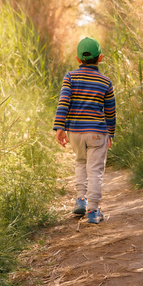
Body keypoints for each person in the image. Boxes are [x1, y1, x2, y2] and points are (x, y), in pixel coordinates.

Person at [53, 37, 116, 224]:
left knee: (81, 162)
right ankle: (93, 210)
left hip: (75, 133)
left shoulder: (70, 77)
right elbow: (110, 111)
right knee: (95, 170)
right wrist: (110, 133)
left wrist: (59, 127)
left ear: (78, 59)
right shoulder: (106, 82)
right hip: (97, 132)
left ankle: (81, 199)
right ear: (100, 58)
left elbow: (63, 102)